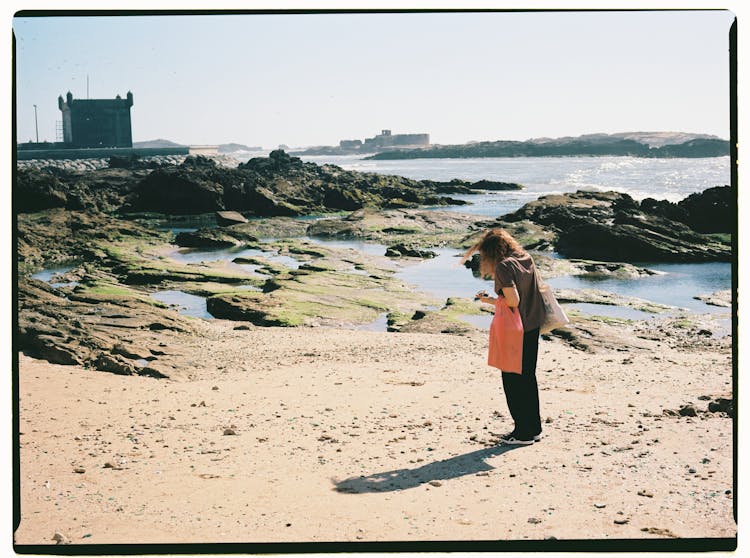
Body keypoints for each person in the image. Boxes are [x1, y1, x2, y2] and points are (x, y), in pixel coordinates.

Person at [462, 229, 546, 445]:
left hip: (514, 329)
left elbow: (513, 301)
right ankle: (533, 429)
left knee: (512, 380)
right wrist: (489, 300)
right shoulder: (525, 258)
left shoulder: (503, 266)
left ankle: (522, 434)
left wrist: (496, 300)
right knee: (527, 378)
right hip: (532, 325)